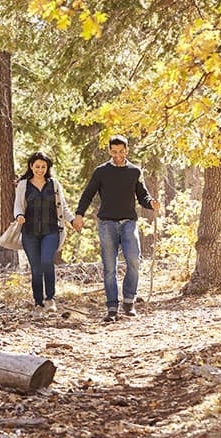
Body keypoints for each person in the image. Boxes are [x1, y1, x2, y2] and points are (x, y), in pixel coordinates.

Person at [72, 135, 159, 322]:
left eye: (121, 151)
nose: (118, 155)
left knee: (134, 260)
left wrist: (150, 202)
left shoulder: (134, 171)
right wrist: (79, 214)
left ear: (126, 150)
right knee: (109, 267)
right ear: (110, 151)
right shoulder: (101, 171)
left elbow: (142, 195)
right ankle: (112, 307)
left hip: (128, 222)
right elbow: (88, 194)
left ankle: (129, 301)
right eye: (114, 151)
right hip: (107, 224)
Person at [14, 151, 75, 317]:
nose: (40, 169)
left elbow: (63, 207)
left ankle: (50, 299)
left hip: (51, 231)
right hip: (30, 232)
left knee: (47, 261)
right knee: (36, 268)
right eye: (37, 166)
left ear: (47, 168)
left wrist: (72, 220)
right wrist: (19, 216)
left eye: (43, 166)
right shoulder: (23, 184)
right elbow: (18, 206)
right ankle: (38, 302)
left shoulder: (53, 184)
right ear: (31, 166)